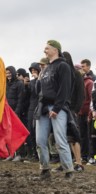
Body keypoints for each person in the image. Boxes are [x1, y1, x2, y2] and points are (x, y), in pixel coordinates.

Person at [35, 40, 74, 180]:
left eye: (47, 48)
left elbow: (64, 89)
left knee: (60, 140)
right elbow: (40, 91)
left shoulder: (63, 66)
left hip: (58, 107)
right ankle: (45, 169)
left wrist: (57, 108)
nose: (44, 50)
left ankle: (69, 170)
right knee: (40, 140)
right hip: (43, 108)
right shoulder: (45, 69)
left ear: (55, 50)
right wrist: (43, 107)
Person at [62, 51, 85, 172]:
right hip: (62, 109)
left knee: (74, 137)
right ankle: (65, 162)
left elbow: (81, 95)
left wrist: (75, 110)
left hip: (71, 110)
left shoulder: (76, 74)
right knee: (62, 137)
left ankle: (79, 163)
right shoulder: (61, 75)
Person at [24, 62, 41, 163]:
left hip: (39, 107)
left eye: (35, 70)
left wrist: (35, 81)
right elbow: (27, 96)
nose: (33, 72)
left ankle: (40, 154)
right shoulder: (31, 82)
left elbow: (38, 92)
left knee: (37, 131)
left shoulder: (40, 81)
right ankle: (34, 153)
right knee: (30, 130)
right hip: (31, 107)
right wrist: (26, 86)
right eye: (32, 71)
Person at [78, 62, 93, 163]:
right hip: (80, 112)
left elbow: (91, 98)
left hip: (87, 112)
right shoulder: (79, 83)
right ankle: (83, 156)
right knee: (82, 135)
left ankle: (89, 155)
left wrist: (90, 113)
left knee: (88, 135)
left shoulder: (89, 82)